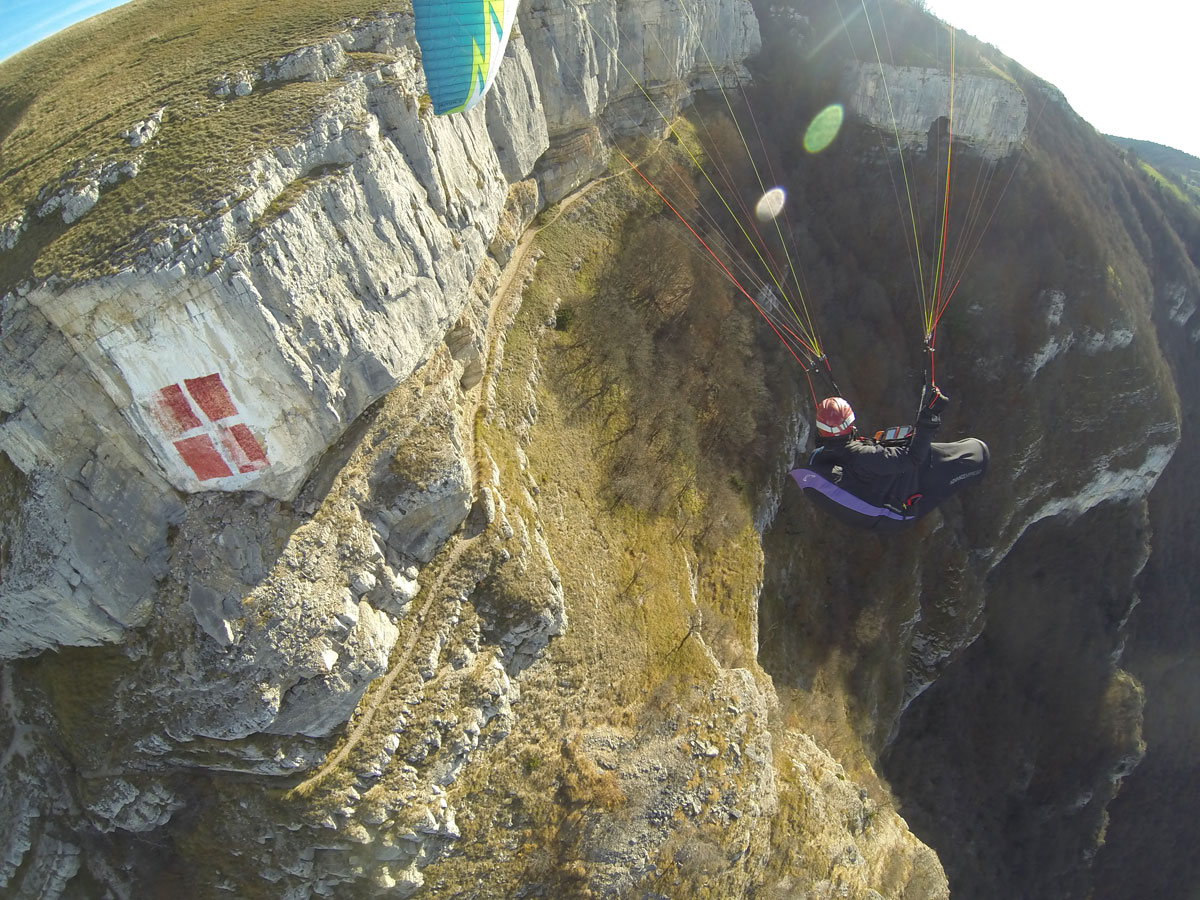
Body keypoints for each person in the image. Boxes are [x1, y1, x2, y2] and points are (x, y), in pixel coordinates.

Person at [792, 385, 987, 530]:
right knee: (929, 459)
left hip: (881, 501)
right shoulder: (862, 455)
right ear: (851, 423)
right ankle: (977, 463)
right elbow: (913, 458)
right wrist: (930, 418)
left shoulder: (823, 454)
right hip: (902, 510)